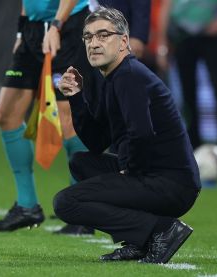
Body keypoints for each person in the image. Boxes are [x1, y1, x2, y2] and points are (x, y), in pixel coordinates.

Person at [54, 7, 201, 263]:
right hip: (157, 175)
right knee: (81, 163)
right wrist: (76, 98)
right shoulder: (113, 77)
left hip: (170, 184)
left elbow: (142, 133)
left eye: (103, 35)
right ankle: (138, 240)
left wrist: (130, 171)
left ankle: (161, 230)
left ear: (123, 42)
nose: (94, 43)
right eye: (88, 37)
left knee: (66, 203)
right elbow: (97, 142)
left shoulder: (129, 76)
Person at [0, 0, 92, 232]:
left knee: (69, 121)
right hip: (33, 30)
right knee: (6, 115)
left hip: (67, 28)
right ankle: (27, 207)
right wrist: (20, 30)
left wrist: (56, 25)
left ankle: (81, 213)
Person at [156, 0, 217, 157]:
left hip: (216, 35)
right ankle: (192, 149)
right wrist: (161, 42)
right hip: (183, 34)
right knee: (187, 94)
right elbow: (166, 4)